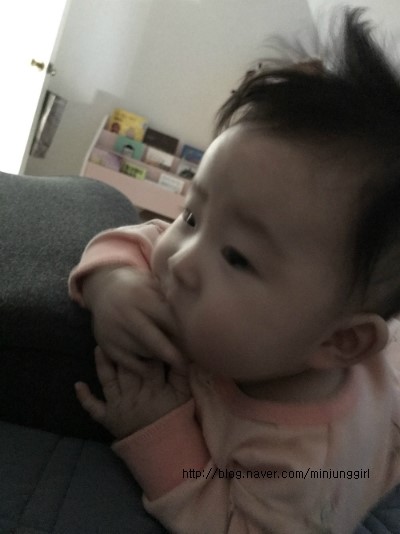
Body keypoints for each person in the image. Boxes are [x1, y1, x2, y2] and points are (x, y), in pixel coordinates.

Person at [68, 8, 400, 533]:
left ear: (336, 341)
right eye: (192, 215)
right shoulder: (237, 295)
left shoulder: (308, 467)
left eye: (238, 257)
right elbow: (142, 238)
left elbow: (231, 525)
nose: (180, 260)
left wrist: (158, 429)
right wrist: (113, 282)